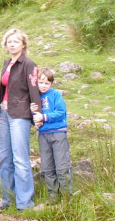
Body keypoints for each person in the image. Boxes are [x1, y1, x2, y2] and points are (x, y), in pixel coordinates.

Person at [0, 28, 41, 211]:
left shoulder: (29, 64)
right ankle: (8, 200)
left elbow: (34, 90)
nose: (12, 44)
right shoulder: (6, 64)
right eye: (9, 42)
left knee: (20, 159)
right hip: (4, 114)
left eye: (16, 41)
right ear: (6, 45)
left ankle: (25, 203)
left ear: (23, 44)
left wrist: (37, 113)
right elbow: (1, 90)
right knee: (4, 158)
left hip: (20, 114)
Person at [31, 68, 72, 203]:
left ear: (51, 84)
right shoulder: (35, 97)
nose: (43, 85)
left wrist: (45, 117)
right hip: (43, 134)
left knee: (61, 166)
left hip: (58, 133)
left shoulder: (55, 95)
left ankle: (66, 196)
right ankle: (53, 195)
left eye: (46, 83)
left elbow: (61, 112)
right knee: (47, 167)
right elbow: (33, 116)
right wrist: (34, 119)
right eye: (41, 82)